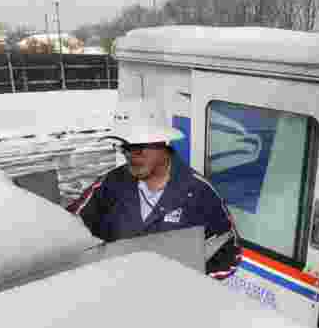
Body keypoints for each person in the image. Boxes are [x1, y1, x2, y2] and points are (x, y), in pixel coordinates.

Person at [68, 118, 241, 279]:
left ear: (162, 145)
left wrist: (190, 284)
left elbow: (230, 252)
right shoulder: (111, 182)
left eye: (137, 148)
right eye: (124, 148)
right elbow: (71, 223)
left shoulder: (199, 191)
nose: (130, 156)